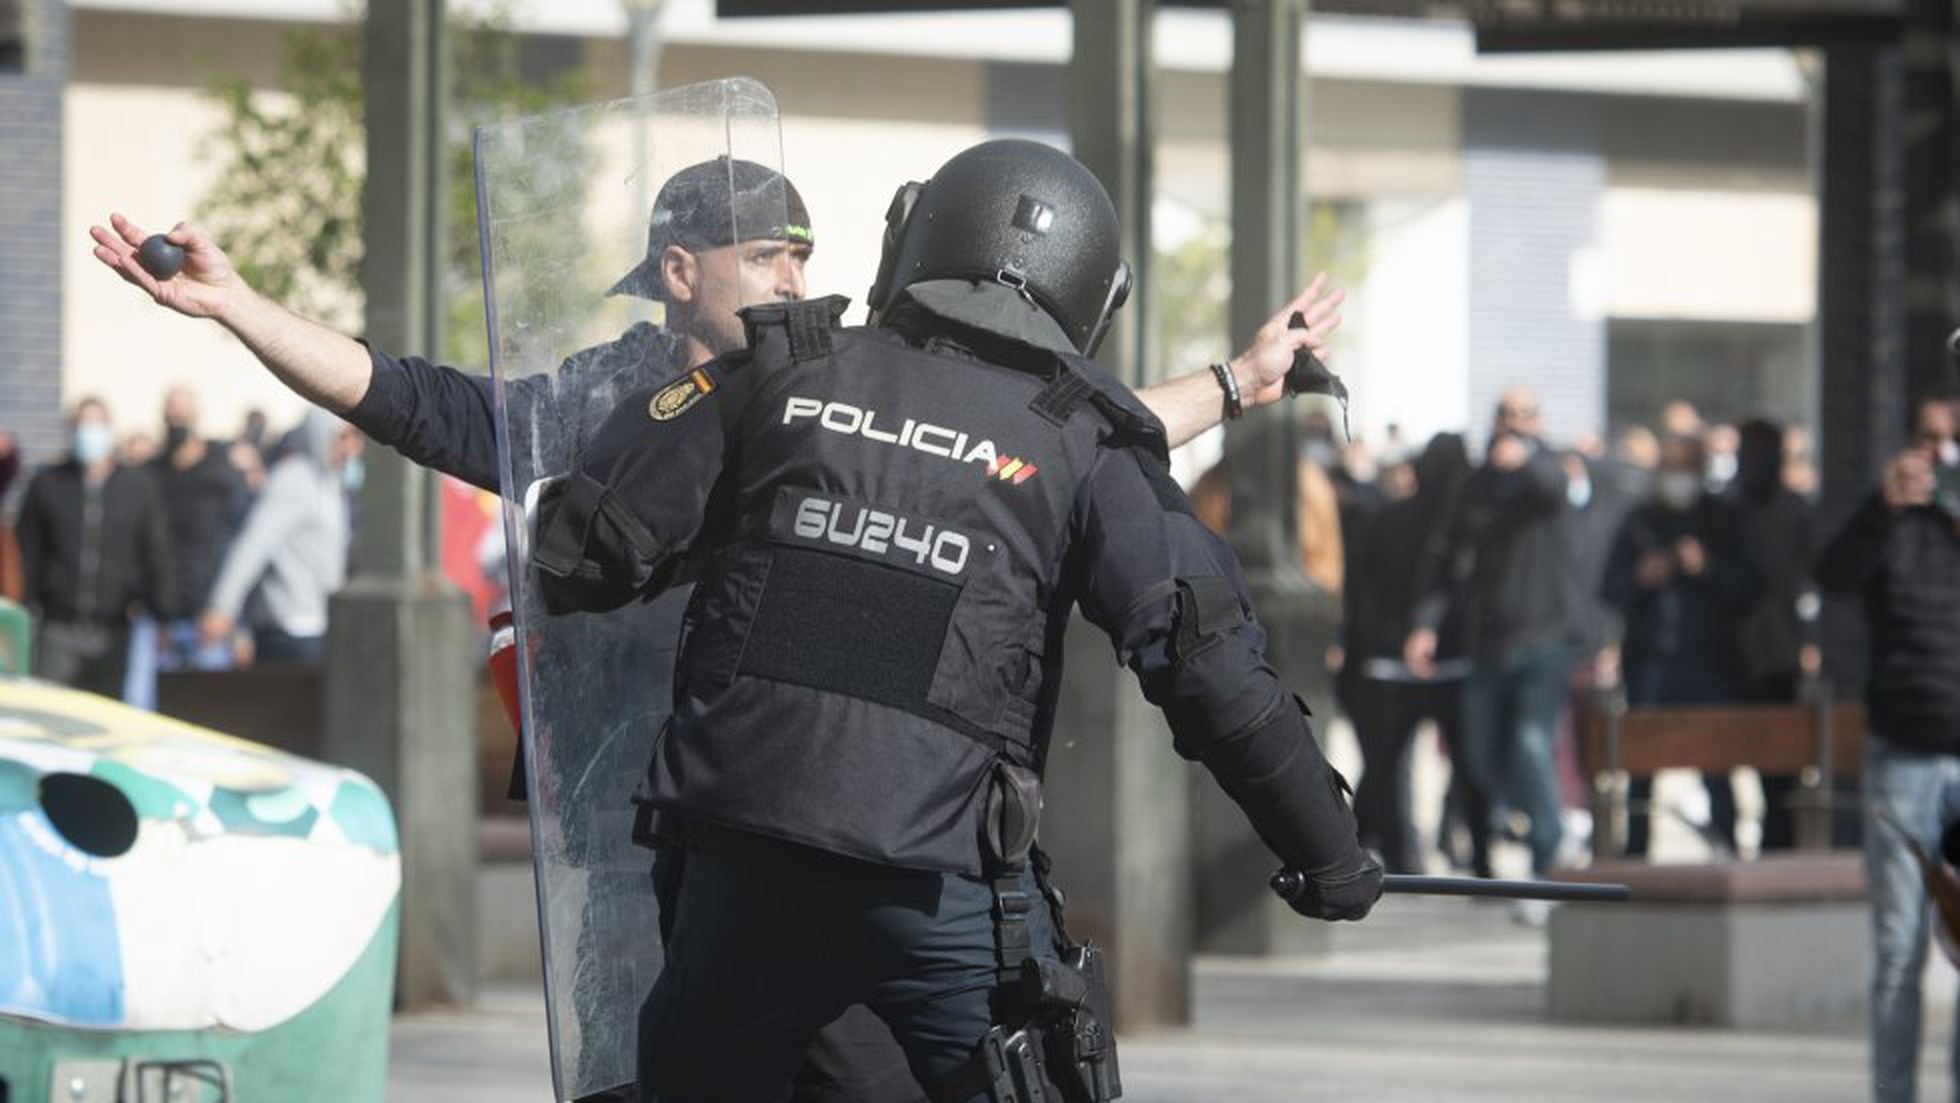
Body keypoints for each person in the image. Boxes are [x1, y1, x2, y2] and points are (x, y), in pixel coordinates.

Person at [90, 152, 1349, 1101]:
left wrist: (1239, 382)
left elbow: (1039, 443)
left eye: (803, 255)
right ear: (680, 268)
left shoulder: (799, 374)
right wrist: (242, 309)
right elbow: (425, 406)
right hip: (761, 855)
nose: (795, 279)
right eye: (764, 256)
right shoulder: (629, 393)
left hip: (752, 857)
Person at [524, 138, 1379, 1099]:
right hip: (935, 899)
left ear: (913, 242)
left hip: (737, 882)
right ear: (1092, 298)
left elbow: (585, 551)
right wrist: (1330, 853)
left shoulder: (783, 367)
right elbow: (1208, 662)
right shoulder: (1083, 440)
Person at [1815, 394, 1960, 1103]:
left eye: (1954, 439)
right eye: (1929, 441)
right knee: (1900, 950)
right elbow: (1831, 576)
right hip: (1904, 750)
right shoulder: (1889, 519)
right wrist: (1881, 506)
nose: (1943, 453)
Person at [1405, 387, 1580, 887]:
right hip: (1488, 642)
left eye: (1526, 416)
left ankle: (1548, 857)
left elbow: (1552, 489)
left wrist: (1523, 459)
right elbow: (1443, 556)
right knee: (1480, 756)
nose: (1514, 425)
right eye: (1507, 416)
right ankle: (1535, 818)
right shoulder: (1475, 485)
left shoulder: (1549, 470)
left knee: (1530, 744)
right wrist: (1424, 624)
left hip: (1544, 637)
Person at [1601, 433, 1760, 857]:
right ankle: (1635, 852)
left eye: (1685, 469)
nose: (1677, 479)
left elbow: (1749, 590)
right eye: (1669, 468)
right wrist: (1641, 578)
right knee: (1640, 763)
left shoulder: (1723, 521)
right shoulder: (1640, 521)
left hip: (1710, 664)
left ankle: (1726, 843)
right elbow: (1608, 588)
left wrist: (1706, 567)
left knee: (1716, 762)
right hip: (1650, 662)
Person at [1340, 432, 1473, 874]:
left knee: (1387, 762)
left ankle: (1399, 850)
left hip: (1388, 658)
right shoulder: (1458, 526)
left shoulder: (1387, 519)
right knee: (1443, 761)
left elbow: (1358, 590)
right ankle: (1454, 845)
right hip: (1436, 660)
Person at [15, 397, 176, 696]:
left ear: (109, 429)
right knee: (52, 709)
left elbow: (155, 551)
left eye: (96, 424)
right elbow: (28, 549)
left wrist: (161, 611)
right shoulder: (48, 483)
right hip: (57, 626)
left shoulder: (138, 487)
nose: (89, 433)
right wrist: (25, 606)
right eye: (82, 425)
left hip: (113, 629)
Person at [199, 408, 361, 664]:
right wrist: (222, 606)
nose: (349, 448)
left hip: (320, 625)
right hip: (290, 630)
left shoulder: (330, 483)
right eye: (341, 438)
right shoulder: (293, 480)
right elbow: (254, 545)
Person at [1731, 417, 1822, 851]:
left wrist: (1811, 642)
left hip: (1780, 656)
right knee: (1724, 759)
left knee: (1781, 771)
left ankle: (1778, 845)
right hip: (1732, 655)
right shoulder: (1726, 510)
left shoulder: (1797, 510)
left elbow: (1815, 583)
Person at [150, 384, 249, 671]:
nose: (178, 424)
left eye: (184, 416)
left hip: (211, 619)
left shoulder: (221, 474)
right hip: (162, 623)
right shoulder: (151, 476)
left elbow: (240, 546)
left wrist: (233, 618)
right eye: (172, 417)